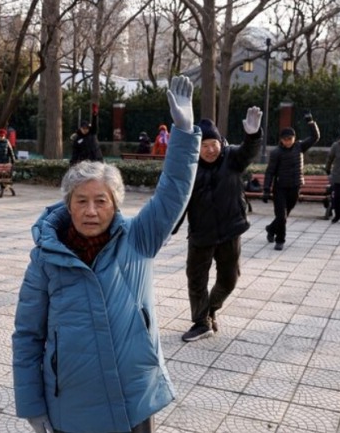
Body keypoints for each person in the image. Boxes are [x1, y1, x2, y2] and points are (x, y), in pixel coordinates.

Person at [12, 75, 200, 433]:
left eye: (101, 201)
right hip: (73, 404)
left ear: (115, 205)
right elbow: (27, 336)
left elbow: (173, 192)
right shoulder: (45, 258)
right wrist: (31, 405)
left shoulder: (139, 238)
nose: (91, 211)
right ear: (68, 205)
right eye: (81, 201)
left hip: (135, 396)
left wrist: (184, 133)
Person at [172, 111, 262, 342]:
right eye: (204, 145)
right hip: (201, 234)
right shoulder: (190, 168)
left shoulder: (232, 158)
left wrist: (252, 136)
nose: (210, 150)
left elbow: (248, 152)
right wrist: (168, 228)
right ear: (197, 148)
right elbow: (180, 201)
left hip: (230, 231)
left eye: (213, 144)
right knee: (196, 279)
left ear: (220, 143)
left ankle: (210, 309)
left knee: (229, 279)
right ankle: (201, 322)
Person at [263, 112, 320, 250]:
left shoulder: (300, 147)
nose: (288, 141)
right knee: (281, 216)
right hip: (280, 188)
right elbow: (270, 171)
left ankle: (271, 229)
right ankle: (280, 240)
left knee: (285, 215)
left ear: (294, 138)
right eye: (285, 139)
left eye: (290, 138)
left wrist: (311, 123)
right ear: (281, 140)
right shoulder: (276, 152)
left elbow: (315, 137)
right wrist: (266, 190)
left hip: (295, 186)